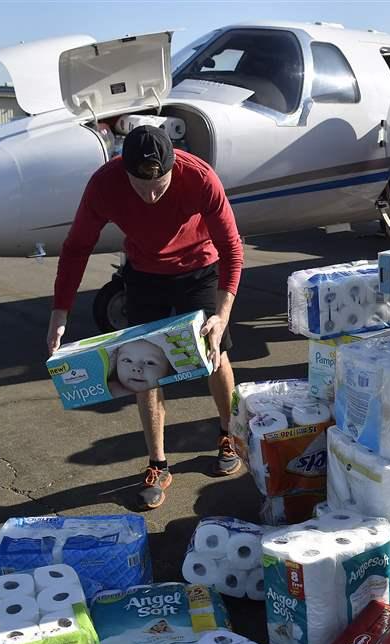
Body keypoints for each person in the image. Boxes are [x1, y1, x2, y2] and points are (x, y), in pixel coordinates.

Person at [46, 125, 245, 509]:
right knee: (142, 365)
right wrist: (60, 311)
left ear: (173, 165)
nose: (152, 195)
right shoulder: (104, 185)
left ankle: (229, 435)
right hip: (144, 273)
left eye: (161, 185)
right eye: (141, 186)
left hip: (199, 267)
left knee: (215, 353)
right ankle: (158, 463)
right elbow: (76, 248)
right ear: (125, 172)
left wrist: (221, 315)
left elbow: (232, 249)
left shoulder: (200, 177)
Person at [108, 339, 173, 398]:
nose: (136, 368)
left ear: (168, 369)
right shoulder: (109, 388)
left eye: (149, 363)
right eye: (127, 360)